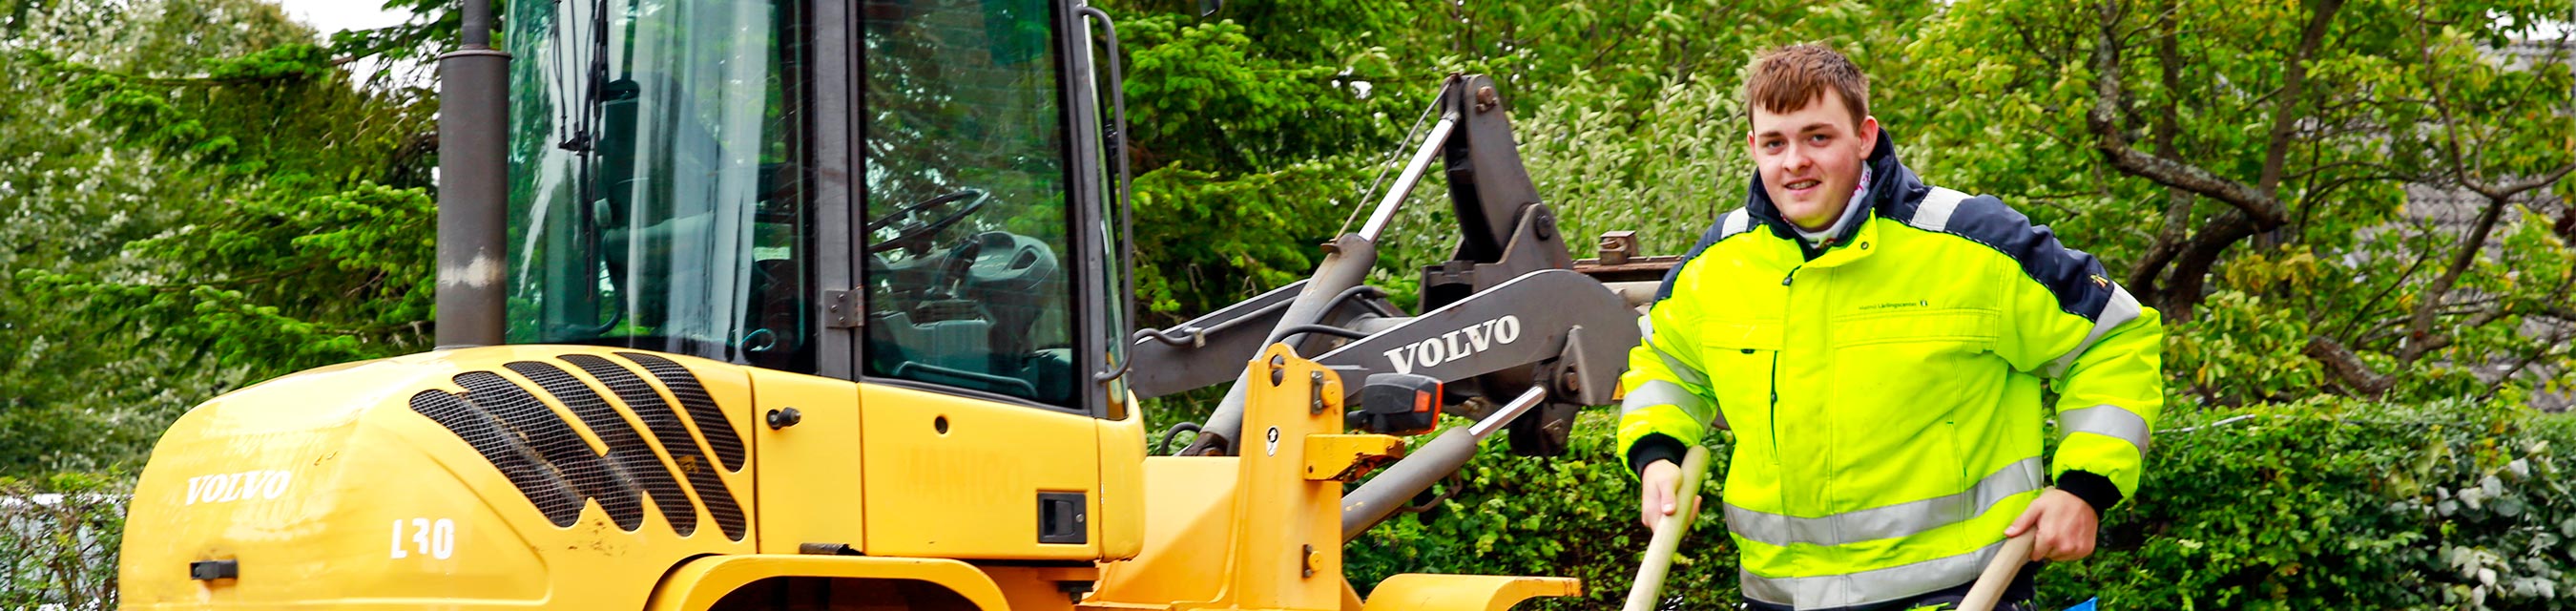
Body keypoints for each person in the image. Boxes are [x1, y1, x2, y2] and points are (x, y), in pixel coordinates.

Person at [1616, 43, 2165, 611]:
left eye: (1818, 137)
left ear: (1865, 136)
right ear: (1753, 148)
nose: (1794, 161)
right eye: (1776, 142)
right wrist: (1658, 453)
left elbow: (2113, 339)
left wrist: (2084, 490)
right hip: (1776, 598)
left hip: (1960, 593)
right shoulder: (1717, 264)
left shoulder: (1975, 245)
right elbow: (1666, 365)